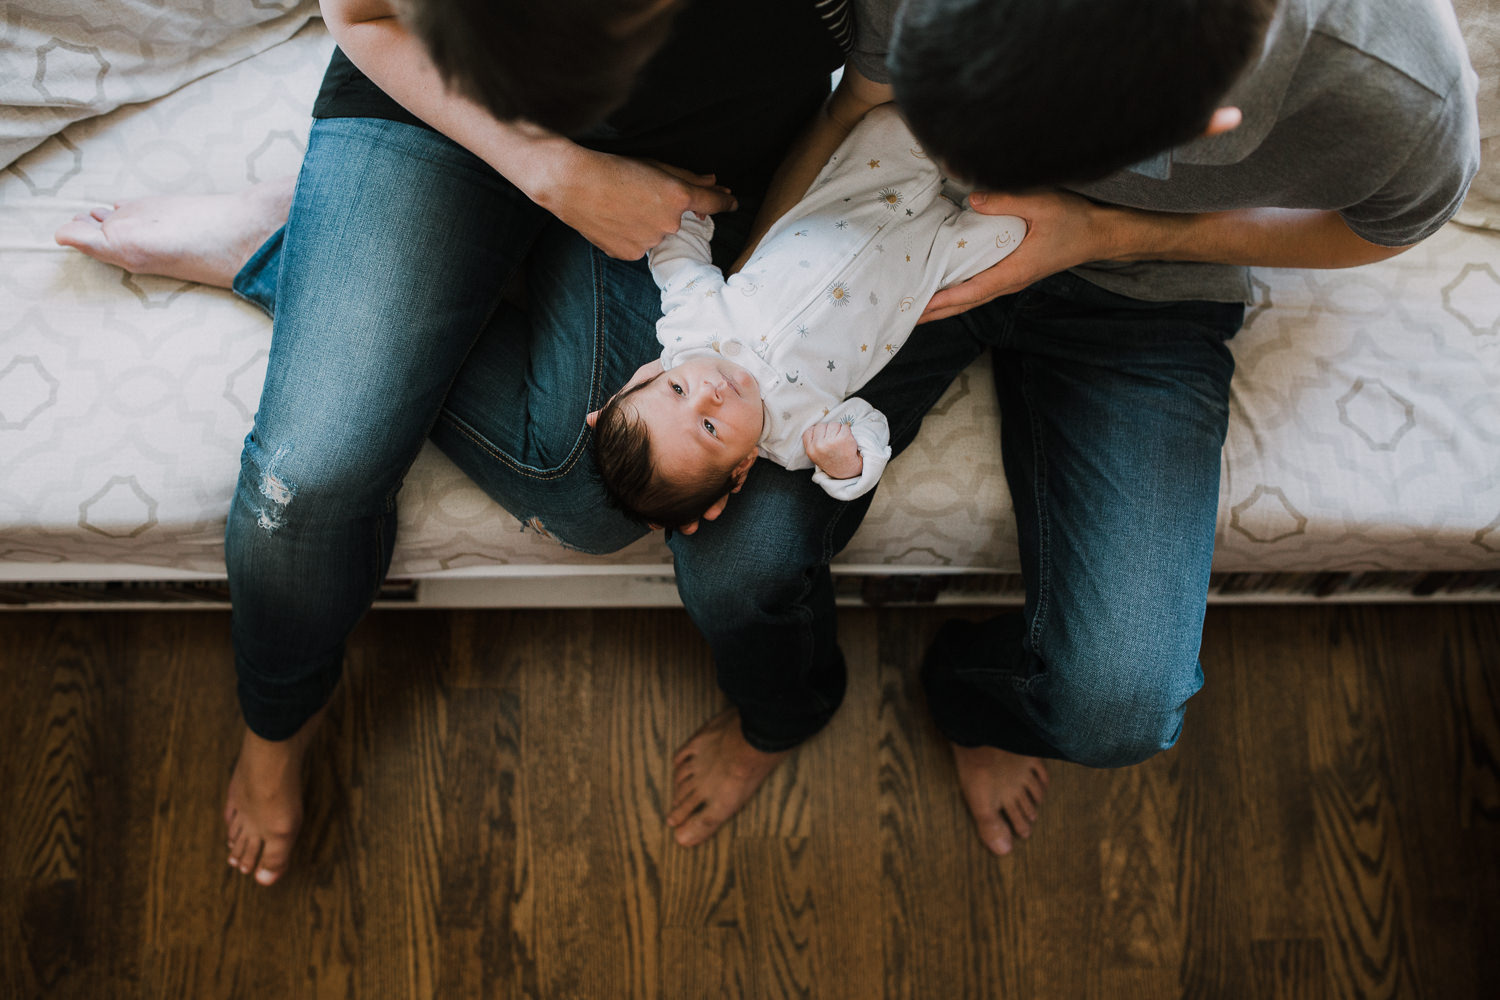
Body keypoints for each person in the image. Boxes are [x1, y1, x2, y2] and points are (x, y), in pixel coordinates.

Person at [591, 104, 1025, 526]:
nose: (709, 393)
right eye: (708, 426)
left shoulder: (691, 327)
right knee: (1013, 229)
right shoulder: (796, 438)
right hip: (928, 261)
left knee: (892, 122)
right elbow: (869, 428)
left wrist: (691, 208)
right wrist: (843, 465)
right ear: (740, 467)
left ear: (653, 374)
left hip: (862, 193)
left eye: (677, 388)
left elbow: (678, 256)